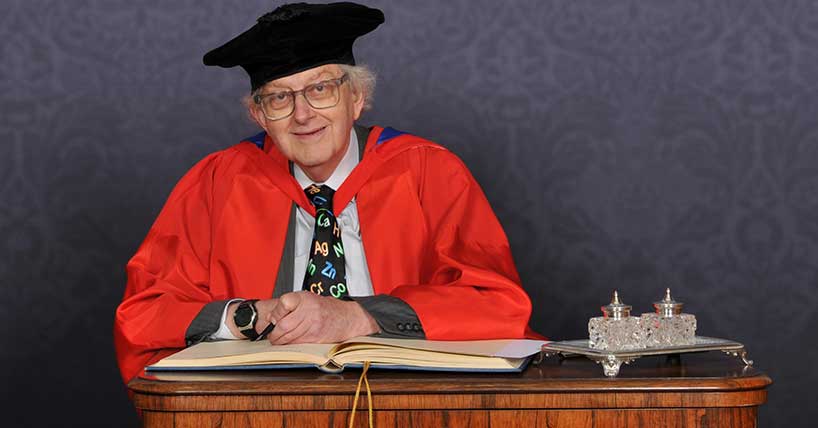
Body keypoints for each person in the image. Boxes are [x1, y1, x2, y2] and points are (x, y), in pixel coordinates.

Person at [114, 2, 539, 384]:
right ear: (259, 115)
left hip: (407, 405)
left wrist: (358, 315)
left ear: (357, 97)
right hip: (259, 410)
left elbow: (497, 302)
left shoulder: (429, 171)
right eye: (280, 98)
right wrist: (246, 315)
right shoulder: (217, 182)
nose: (302, 115)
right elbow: (144, 313)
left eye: (321, 89)